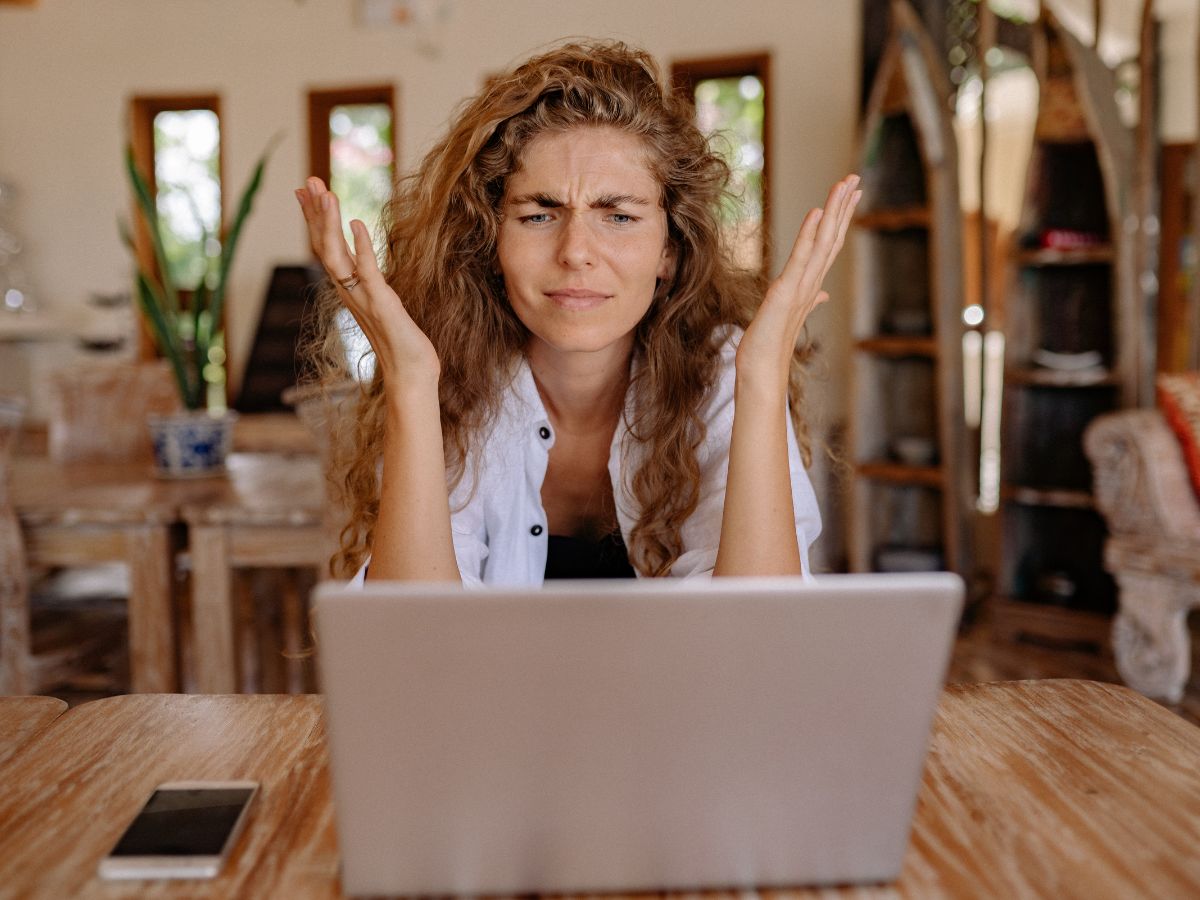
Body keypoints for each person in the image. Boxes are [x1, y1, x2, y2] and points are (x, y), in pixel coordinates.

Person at [296, 40, 859, 586]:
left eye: (618, 216)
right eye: (539, 215)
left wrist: (761, 376)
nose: (576, 252)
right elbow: (413, 645)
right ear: (490, 242)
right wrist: (412, 383)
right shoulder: (450, 379)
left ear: (670, 249)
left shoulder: (721, 370)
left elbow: (757, 643)